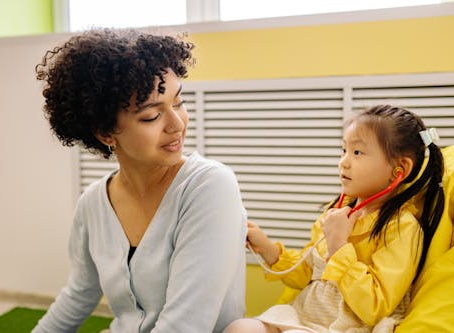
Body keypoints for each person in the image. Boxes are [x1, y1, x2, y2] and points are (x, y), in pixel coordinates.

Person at [32, 28, 247, 333]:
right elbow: (79, 294)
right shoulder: (93, 203)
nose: (177, 124)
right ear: (105, 133)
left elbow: (186, 325)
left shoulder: (209, 187)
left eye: (178, 102)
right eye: (151, 116)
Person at [223, 105, 445, 333]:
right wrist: (266, 248)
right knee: (240, 328)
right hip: (303, 317)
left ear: (399, 170)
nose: (344, 162)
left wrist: (339, 246)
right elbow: (307, 275)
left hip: (347, 326)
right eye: (343, 150)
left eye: (357, 152)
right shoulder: (336, 212)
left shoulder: (401, 227)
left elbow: (375, 306)